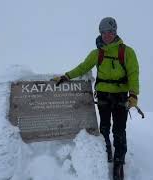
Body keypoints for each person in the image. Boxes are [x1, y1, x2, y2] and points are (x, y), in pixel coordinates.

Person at [52, 17, 140, 180]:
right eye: (104, 32)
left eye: (110, 32)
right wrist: (66, 76)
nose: (107, 35)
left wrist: (133, 95)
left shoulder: (127, 52)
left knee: (119, 130)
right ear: (100, 33)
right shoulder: (97, 53)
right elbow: (83, 67)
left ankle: (119, 162)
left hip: (121, 95)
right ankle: (106, 153)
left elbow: (133, 74)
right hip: (103, 95)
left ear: (115, 32)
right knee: (104, 127)